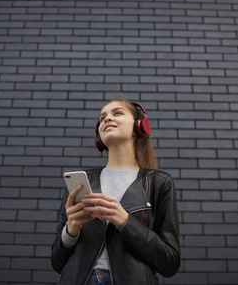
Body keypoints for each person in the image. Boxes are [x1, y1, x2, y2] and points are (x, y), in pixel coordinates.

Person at [51, 94, 180, 285]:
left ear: (140, 126)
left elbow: (170, 262)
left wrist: (125, 222)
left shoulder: (159, 182)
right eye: (102, 118)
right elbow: (56, 262)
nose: (107, 119)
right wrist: (71, 229)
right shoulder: (81, 182)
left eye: (117, 113)